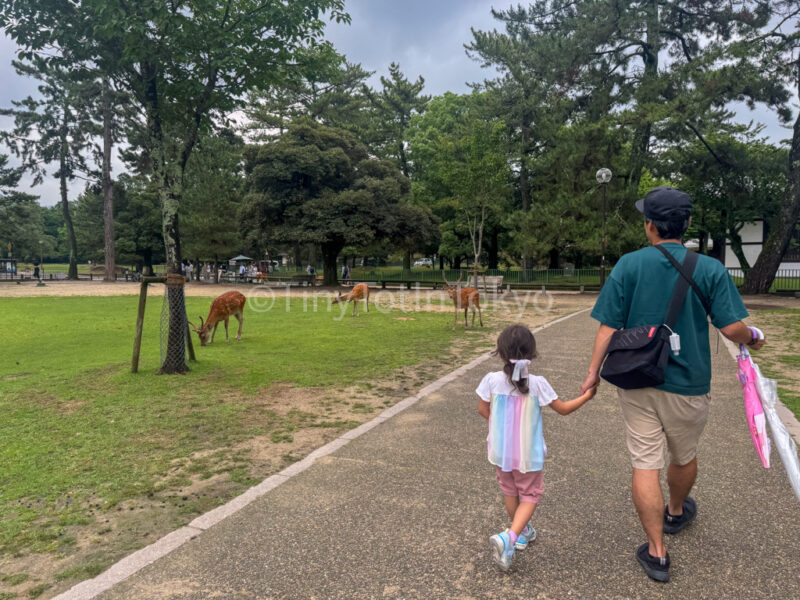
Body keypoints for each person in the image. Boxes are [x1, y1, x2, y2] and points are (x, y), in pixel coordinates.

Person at [582, 186, 766, 583]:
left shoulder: (628, 265)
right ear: (685, 225)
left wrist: (592, 374)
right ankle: (677, 513)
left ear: (650, 224)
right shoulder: (711, 268)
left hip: (636, 379)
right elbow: (731, 328)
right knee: (683, 455)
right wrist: (753, 336)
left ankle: (657, 553)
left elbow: (607, 328)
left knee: (644, 463)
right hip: (688, 382)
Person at [477, 323, 597, 572]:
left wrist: (499, 426)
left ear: (500, 353)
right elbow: (563, 409)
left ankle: (522, 533)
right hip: (527, 452)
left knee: (510, 491)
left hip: (500, 450)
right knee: (530, 495)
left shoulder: (491, 380)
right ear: (532, 354)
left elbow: (482, 409)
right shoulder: (538, 383)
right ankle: (509, 537)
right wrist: (586, 396)